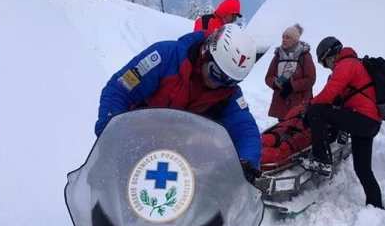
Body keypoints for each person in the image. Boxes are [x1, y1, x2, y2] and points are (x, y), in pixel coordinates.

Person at [96, 22, 262, 178]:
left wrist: (247, 160)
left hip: (179, 159)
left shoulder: (228, 92)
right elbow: (119, 90)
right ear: (206, 53)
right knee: (103, 181)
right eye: (216, 73)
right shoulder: (164, 57)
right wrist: (110, 132)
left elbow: (244, 127)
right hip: (135, 142)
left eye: (230, 81)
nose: (218, 83)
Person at [301, 36, 384, 209]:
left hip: (362, 118)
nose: (327, 67)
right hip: (370, 123)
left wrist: (310, 106)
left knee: (316, 110)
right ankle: (376, 205)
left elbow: (329, 93)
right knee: (362, 169)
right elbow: (336, 99)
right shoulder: (355, 64)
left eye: (325, 63)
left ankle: (322, 159)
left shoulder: (346, 64)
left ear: (330, 56)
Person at [263, 23, 316, 120]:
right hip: (281, 104)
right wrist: (275, 84)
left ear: (295, 40)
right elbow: (268, 77)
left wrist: (292, 86)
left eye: (287, 38)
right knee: (282, 128)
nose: (284, 40)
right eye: (283, 37)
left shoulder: (304, 55)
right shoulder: (278, 56)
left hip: (300, 106)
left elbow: (310, 79)